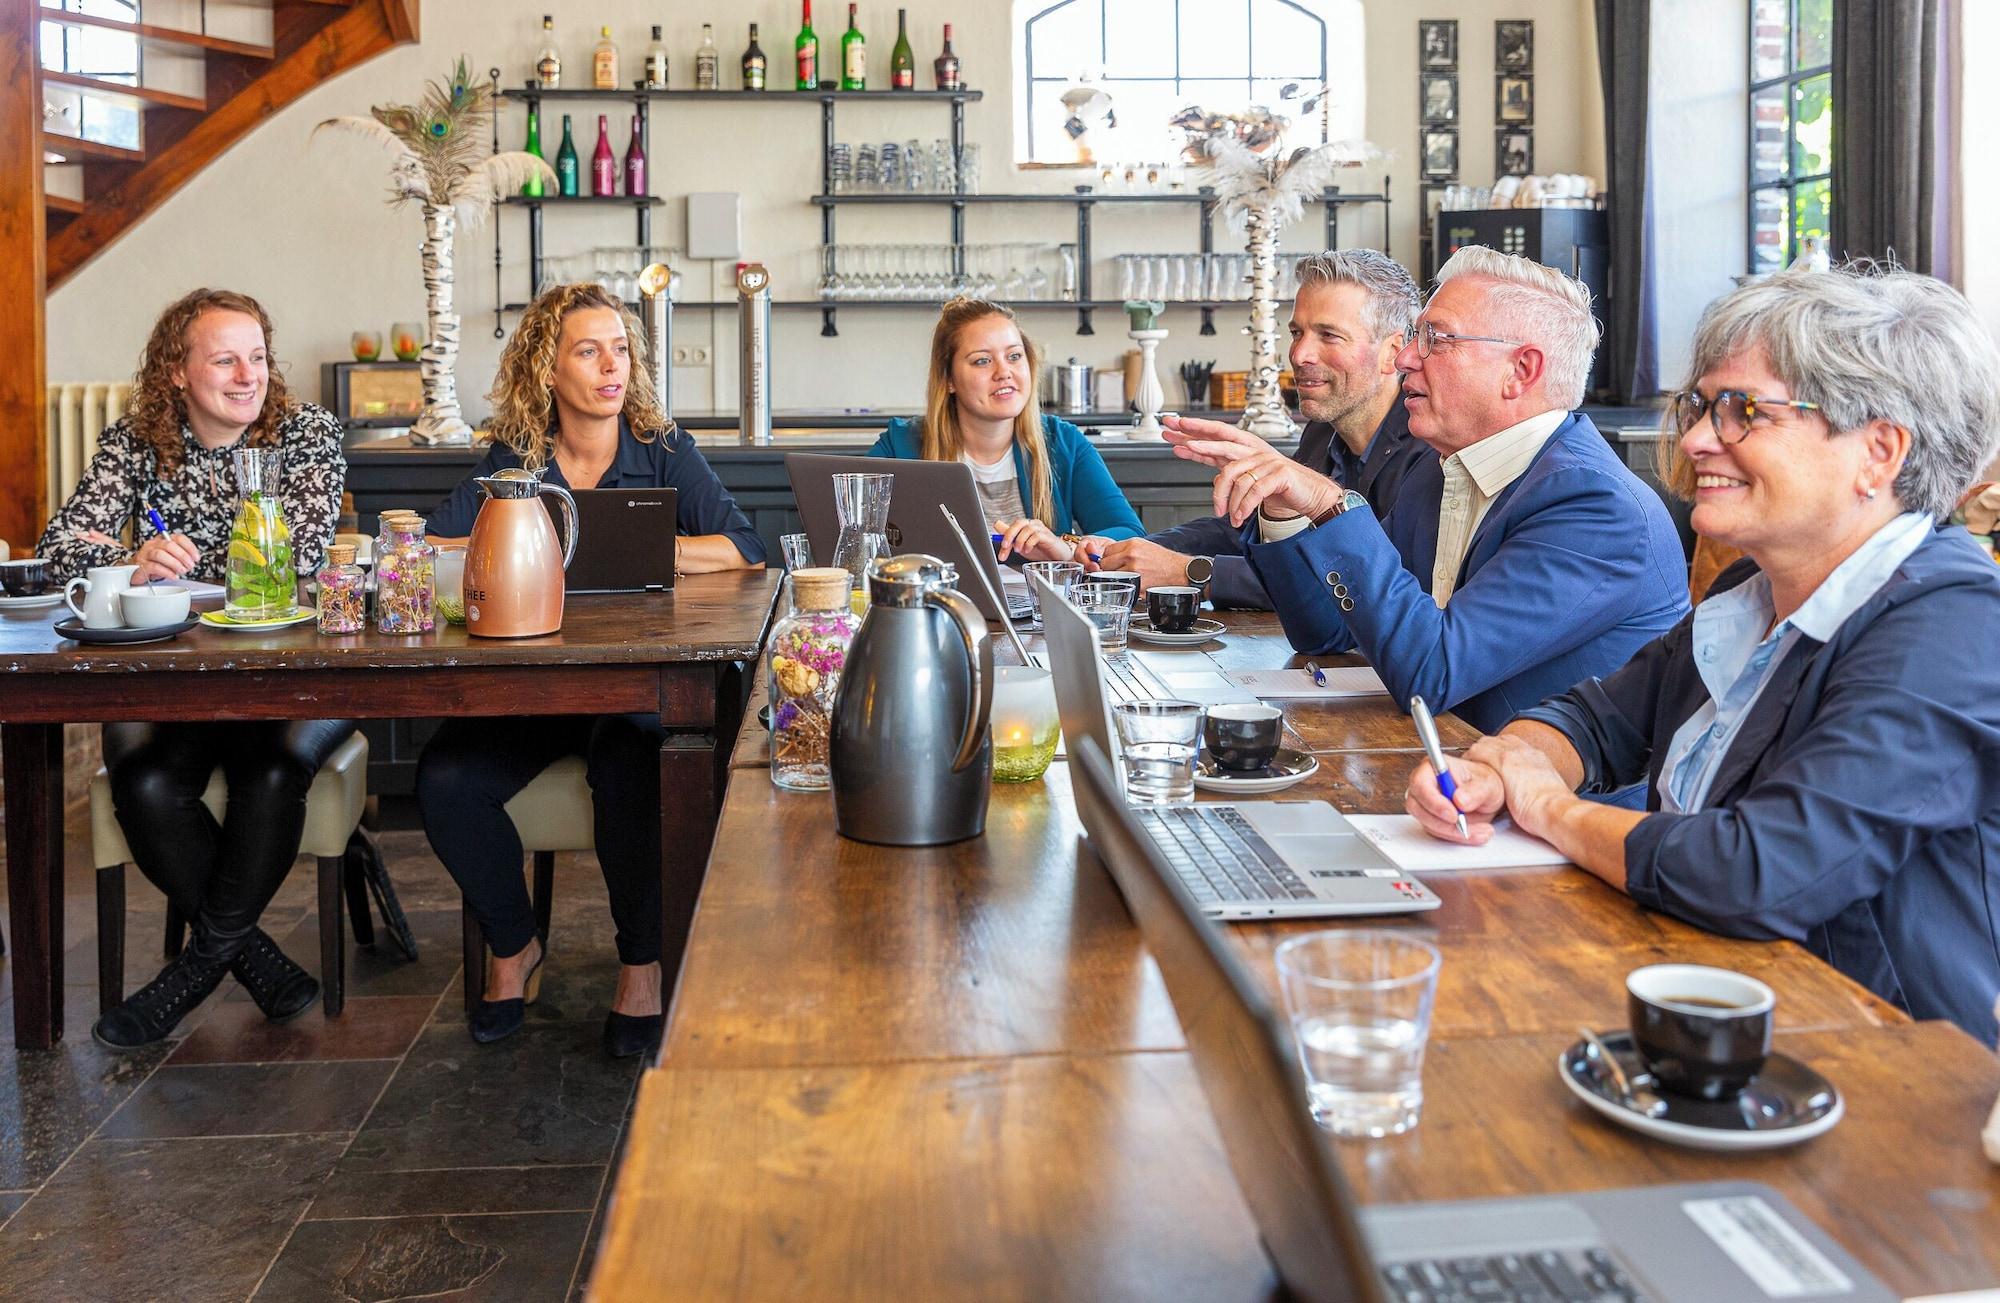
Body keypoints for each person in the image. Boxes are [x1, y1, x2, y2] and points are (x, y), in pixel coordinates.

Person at [1405, 265, 2000, 1047]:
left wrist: (1548, 807)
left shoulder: (1953, 624)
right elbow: (1598, 718)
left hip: (1879, 1068)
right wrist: (1503, 763)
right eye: (1701, 406)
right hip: (1711, 1009)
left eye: (1744, 411)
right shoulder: (1758, 587)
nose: (1693, 440)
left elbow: (1759, 870)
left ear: (1878, 452)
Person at [417, 282, 764, 1059]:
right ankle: (514, 943)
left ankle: (641, 964)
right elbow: (435, 545)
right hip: (536, 691)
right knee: (445, 779)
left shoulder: (663, 446)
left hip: (639, 687)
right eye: (588, 350)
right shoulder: (517, 458)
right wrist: (508, 543)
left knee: (635, 765)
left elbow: (744, 547)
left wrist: (641, 550)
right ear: (548, 371)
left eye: (621, 348)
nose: (612, 366)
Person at [1166, 246, 1689, 734]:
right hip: (1449, 775)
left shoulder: (1593, 508)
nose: (1406, 359)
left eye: (1435, 339)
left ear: (1520, 371)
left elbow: (1431, 674)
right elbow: (1324, 631)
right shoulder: (1441, 472)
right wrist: (1284, 512)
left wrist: (1331, 505)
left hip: (1550, 816)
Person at [36, 288, 347, 1048]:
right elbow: (57, 551)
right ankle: (256, 961)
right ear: (177, 371)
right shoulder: (136, 442)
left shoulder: (306, 433)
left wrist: (174, 569)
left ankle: (192, 973)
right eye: (224, 359)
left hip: (290, 672)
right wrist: (129, 556)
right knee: (143, 782)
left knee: (270, 773)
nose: (249, 375)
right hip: (170, 680)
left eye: (259, 357)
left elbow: (299, 551)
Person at [1077, 250, 1430, 606]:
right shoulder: (1323, 433)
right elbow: (1246, 533)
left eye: (1328, 335)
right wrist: (1136, 552)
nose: (1299, 354)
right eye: (1297, 332)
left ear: (1393, 352)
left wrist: (1193, 573)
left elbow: (1361, 583)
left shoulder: (1429, 448)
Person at [865, 297, 1143, 561]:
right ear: (949, 379)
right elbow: (846, 529)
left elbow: (1129, 534)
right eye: (982, 361)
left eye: (1014, 356)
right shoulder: (900, 445)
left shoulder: (1063, 443)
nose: (1004, 372)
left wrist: (1066, 548)